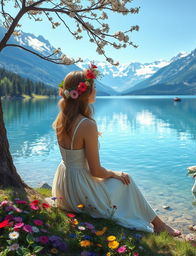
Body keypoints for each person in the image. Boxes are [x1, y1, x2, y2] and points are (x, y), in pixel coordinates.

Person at [52, 64, 181, 236]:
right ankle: (159, 225)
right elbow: (96, 171)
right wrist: (115, 173)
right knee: (126, 180)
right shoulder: (86, 124)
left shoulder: (61, 119)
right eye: (94, 87)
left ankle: (157, 223)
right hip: (80, 190)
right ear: (84, 92)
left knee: (121, 180)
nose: (96, 91)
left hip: (65, 185)